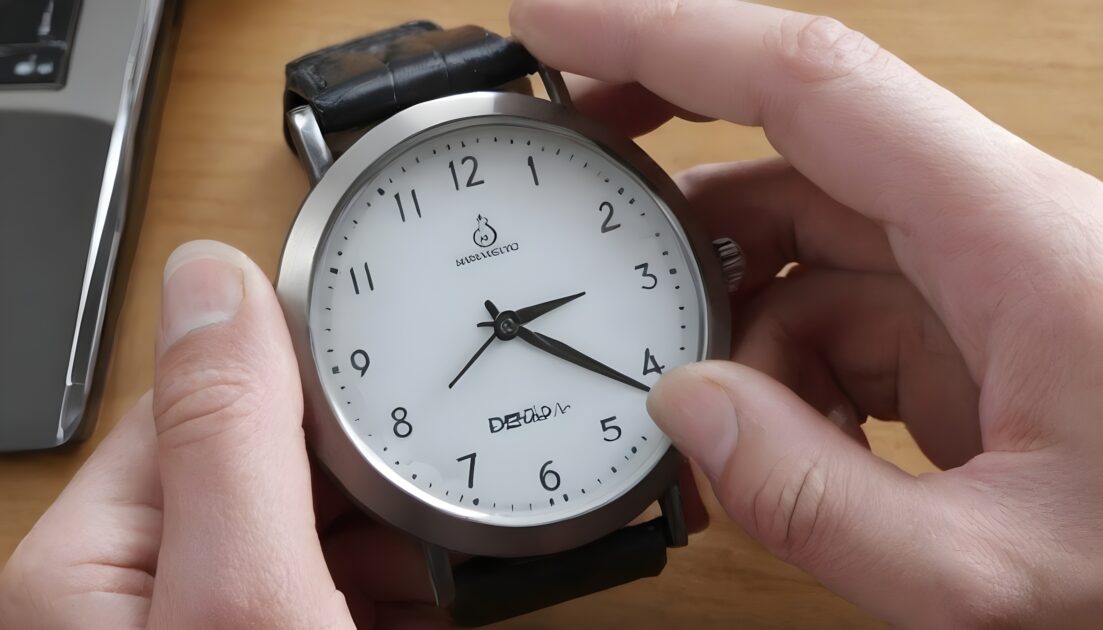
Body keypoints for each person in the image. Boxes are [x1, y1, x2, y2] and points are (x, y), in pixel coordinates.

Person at [3, 0, 1101, 627]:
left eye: (510, 323)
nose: (504, 327)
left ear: (705, 266)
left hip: (603, 482)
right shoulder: (342, 176)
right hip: (480, 506)